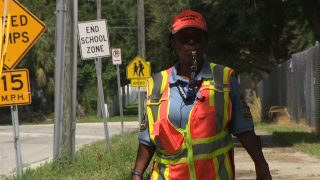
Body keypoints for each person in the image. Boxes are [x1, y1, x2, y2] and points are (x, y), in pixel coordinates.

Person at [132, 9, 272, 180]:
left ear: (205, 42)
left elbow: (244, 129)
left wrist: (262, 166)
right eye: (184, 38)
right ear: (173, 44)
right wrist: (137, 174)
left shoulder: (224, 78)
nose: (191, 42)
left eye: (198, 37)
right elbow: (148, 139)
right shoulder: (157, 85)